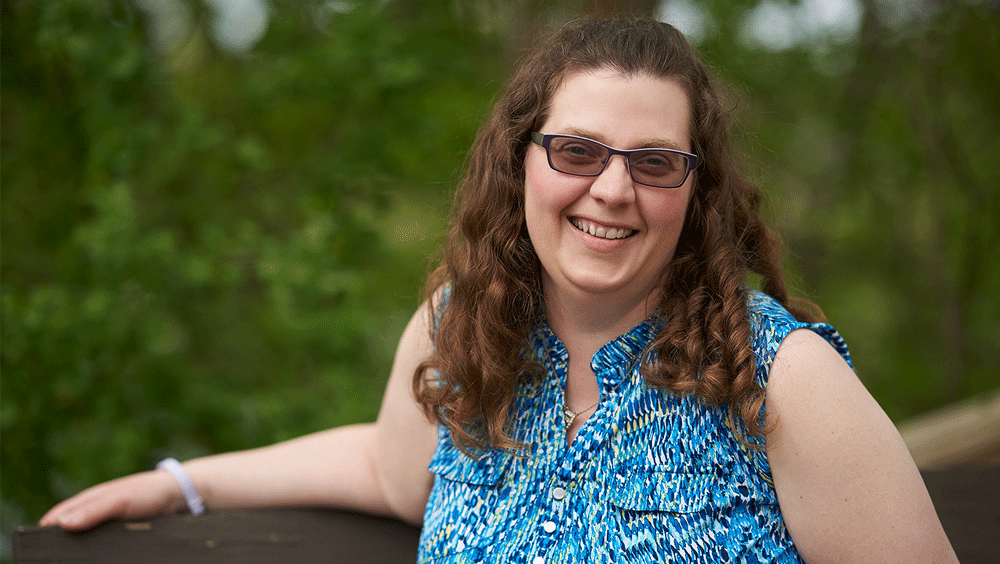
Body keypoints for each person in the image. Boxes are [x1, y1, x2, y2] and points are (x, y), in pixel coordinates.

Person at [41, 17, 957, 563]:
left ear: (698, 190)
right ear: (520, 162)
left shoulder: (779, 377)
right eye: (577, 150)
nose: (611, 189)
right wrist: (178, 485)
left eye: (654, 162)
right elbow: (388, 468)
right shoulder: (462, 328)